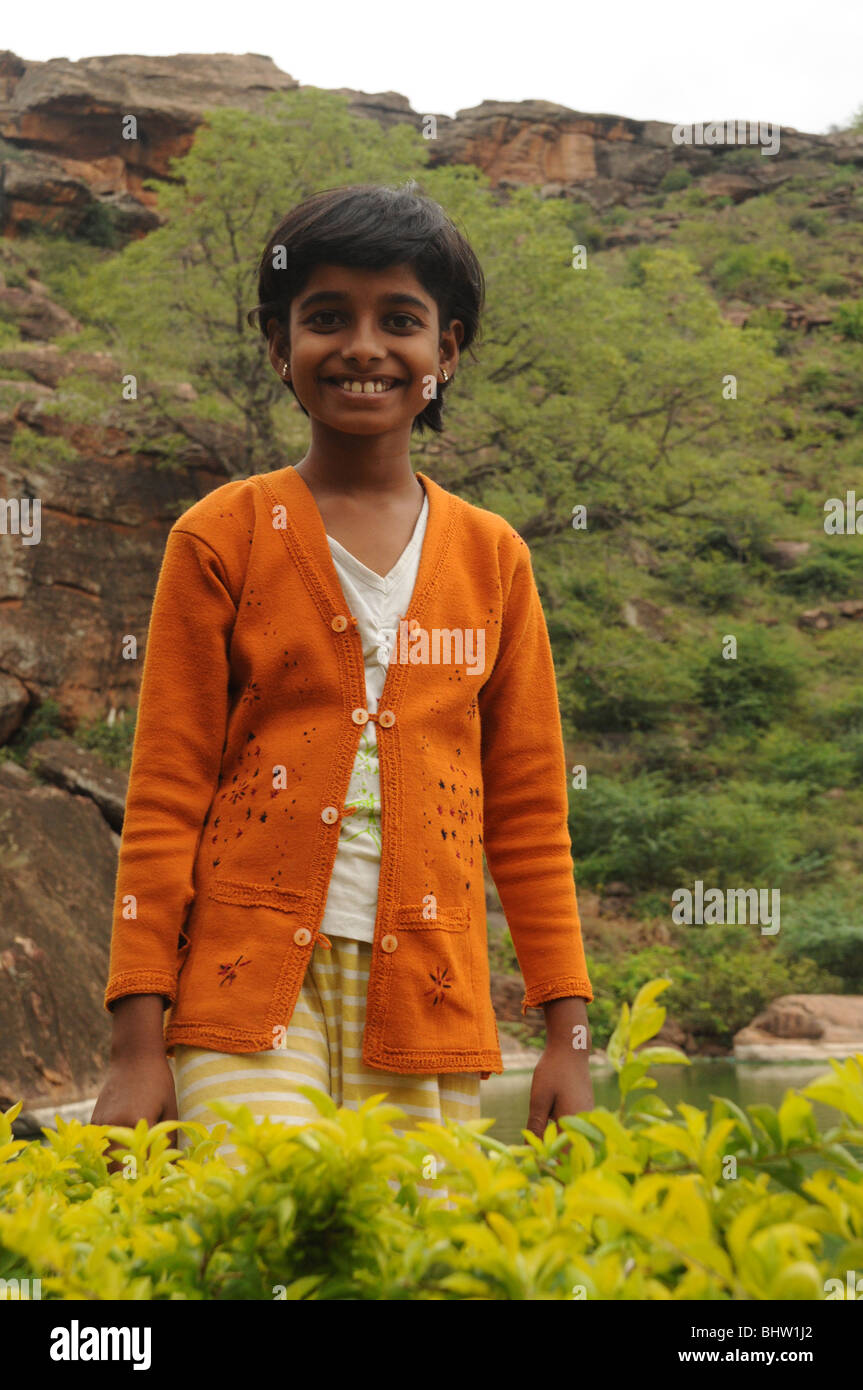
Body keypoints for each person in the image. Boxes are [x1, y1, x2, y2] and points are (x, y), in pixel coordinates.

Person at [92, 182, 594, 1171]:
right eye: (325, 318)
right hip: (239, 988)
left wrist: (567, 1037)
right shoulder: (220, 537)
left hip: (429, 997)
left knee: (400, 1259)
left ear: (445, 353)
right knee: (263, 1221)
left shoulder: (493, 561)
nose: (363, 346)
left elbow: (531, 817)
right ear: (280, 348)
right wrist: (134, 1046)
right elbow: (163, 799)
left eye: (399, 320)